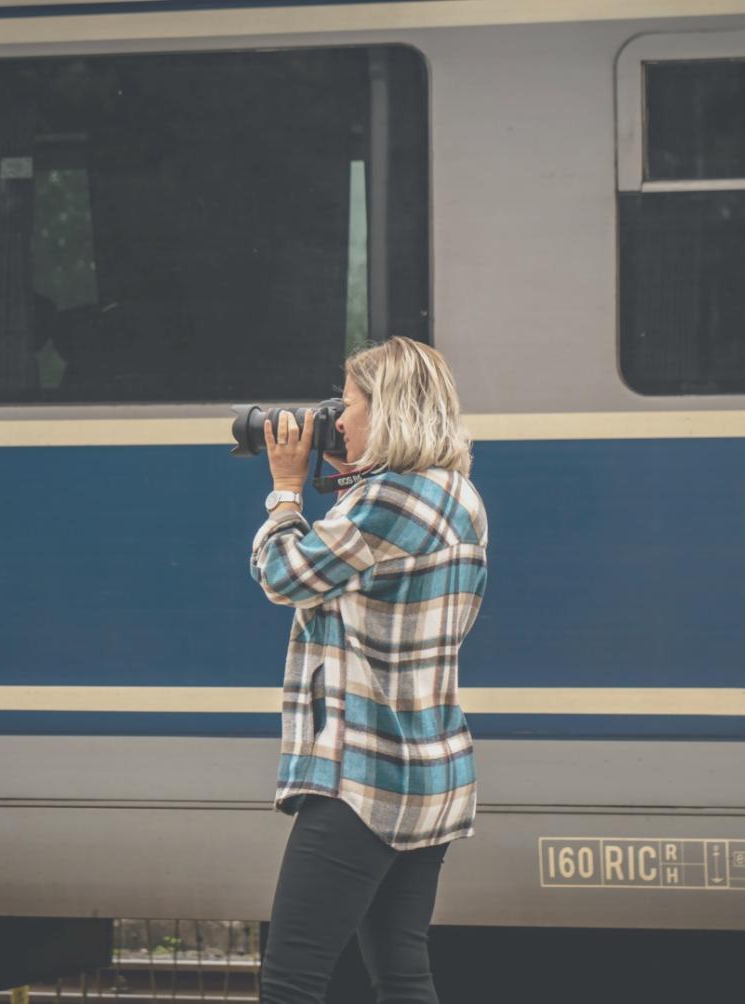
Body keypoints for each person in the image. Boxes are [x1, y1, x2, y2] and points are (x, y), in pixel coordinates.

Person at [249, 336, 489, 1004]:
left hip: (363, 778)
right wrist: (350, 474)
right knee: (401, 971)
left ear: (387, 412)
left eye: (348, 405)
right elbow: (362, 565)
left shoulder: (383, 502)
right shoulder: (455, 494)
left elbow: (283, 575)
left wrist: (286, 493)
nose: (339, 419)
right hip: (432, 770)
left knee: (291, 979)